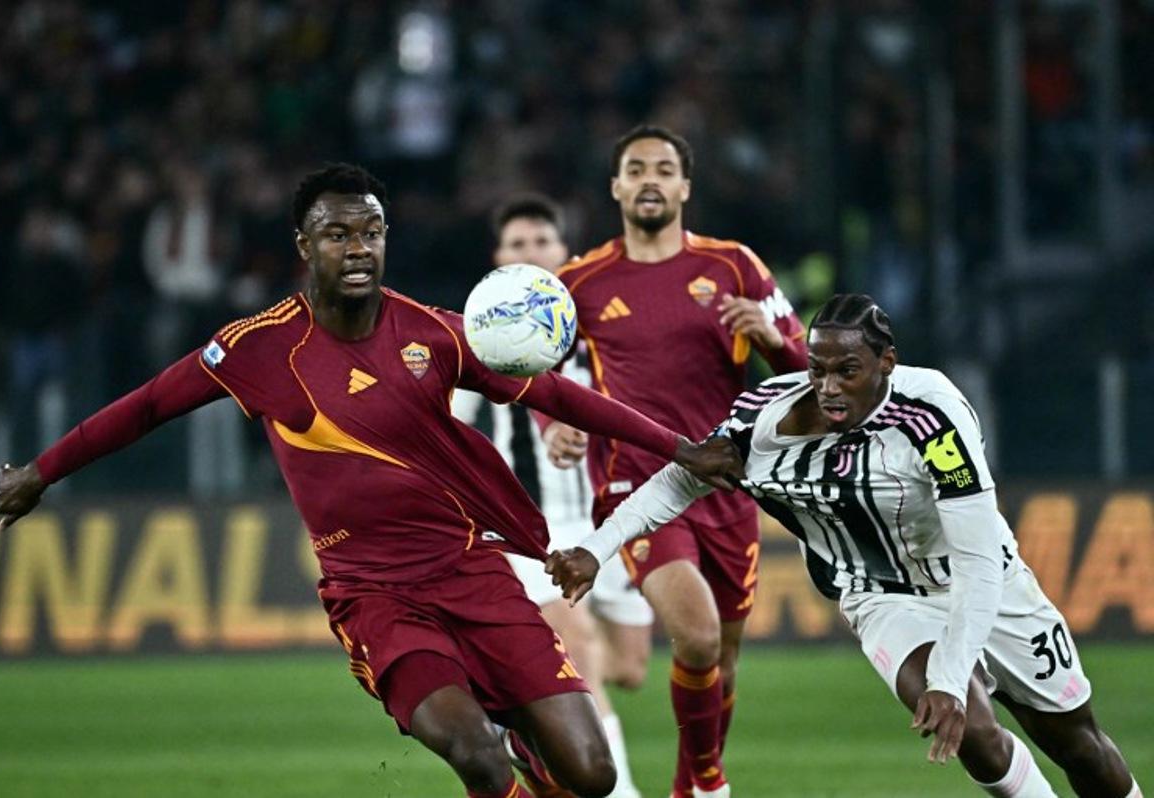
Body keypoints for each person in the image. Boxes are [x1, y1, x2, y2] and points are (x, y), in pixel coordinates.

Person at [0, 163, 739, 798]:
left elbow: (556, 393)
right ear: (303, 245)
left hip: (475, 575)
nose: (358, 248)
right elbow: (148, 406)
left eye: (371, 232)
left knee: (594, 777)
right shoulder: (258, 348)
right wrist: (44, 473)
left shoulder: (434, 332)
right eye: (338, 233)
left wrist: (680, 446)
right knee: (474, 750)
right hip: (376, 597)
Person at [550, 294, 1144, 798]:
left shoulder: (931, 417)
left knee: (1079, 745)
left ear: (887, 362)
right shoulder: (763, 419)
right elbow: (683, 477)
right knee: (976, 736)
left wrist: (954, 667)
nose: (829, 388)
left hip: (985, 582)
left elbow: (979, 559)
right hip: (882, 598)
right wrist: (596, 550)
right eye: (817, 369)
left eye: (848, 371)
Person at [546, 124, 808, 798]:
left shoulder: (734, 266)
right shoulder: (582, 281)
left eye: (664, 168)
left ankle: (686, 787)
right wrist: (554, 427)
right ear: (616, 187)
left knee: (721, 659)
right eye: (636, 169)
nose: (650, 179)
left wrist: (773, 340)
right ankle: (712, 784)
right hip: (637, 484)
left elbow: (811, 373)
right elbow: (540, 375)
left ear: (685, 186)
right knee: (693, 638)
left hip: (728, 482)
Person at [452, 193, 651, 798]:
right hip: (528, 531)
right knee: (581, 652)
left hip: (606, 521)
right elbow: (453, 429)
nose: (530, 252)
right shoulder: (480, 340)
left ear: (565, 254)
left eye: (541, 241)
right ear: (499, 258)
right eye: (517, 244)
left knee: (628, 667)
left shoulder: (602, 336)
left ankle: (518, 720)